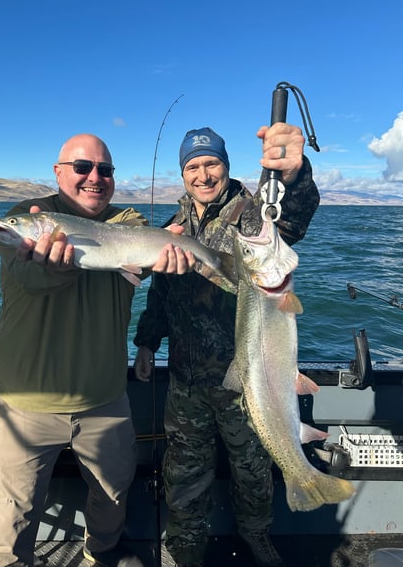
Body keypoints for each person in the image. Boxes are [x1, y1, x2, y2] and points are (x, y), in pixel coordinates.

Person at [0, 133, 194, 567]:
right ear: (58, 173)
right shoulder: (23, 219)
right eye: (82, 167)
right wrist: (56, 266)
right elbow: (31, 280)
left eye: (105, 170)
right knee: (8, 523)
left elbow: (140, 256)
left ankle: (100, 556)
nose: (95, 177)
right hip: (24, 404)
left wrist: (171, 252)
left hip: (106, 402)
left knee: (112, 502)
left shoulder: (128, 222)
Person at [133, 124, 320, 567]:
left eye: (210, 163)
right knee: (183, 473)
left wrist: (294, 176)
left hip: (245, 380)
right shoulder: (172, 227)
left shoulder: (254, 213)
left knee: (253, 470)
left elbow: (290, 221)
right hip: (185, 378)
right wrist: (145, 343)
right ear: (183, 174)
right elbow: (159, 294)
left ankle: (256, 535)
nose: (202, 174)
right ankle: (184, 548)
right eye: (192, 166)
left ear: (226, 165)